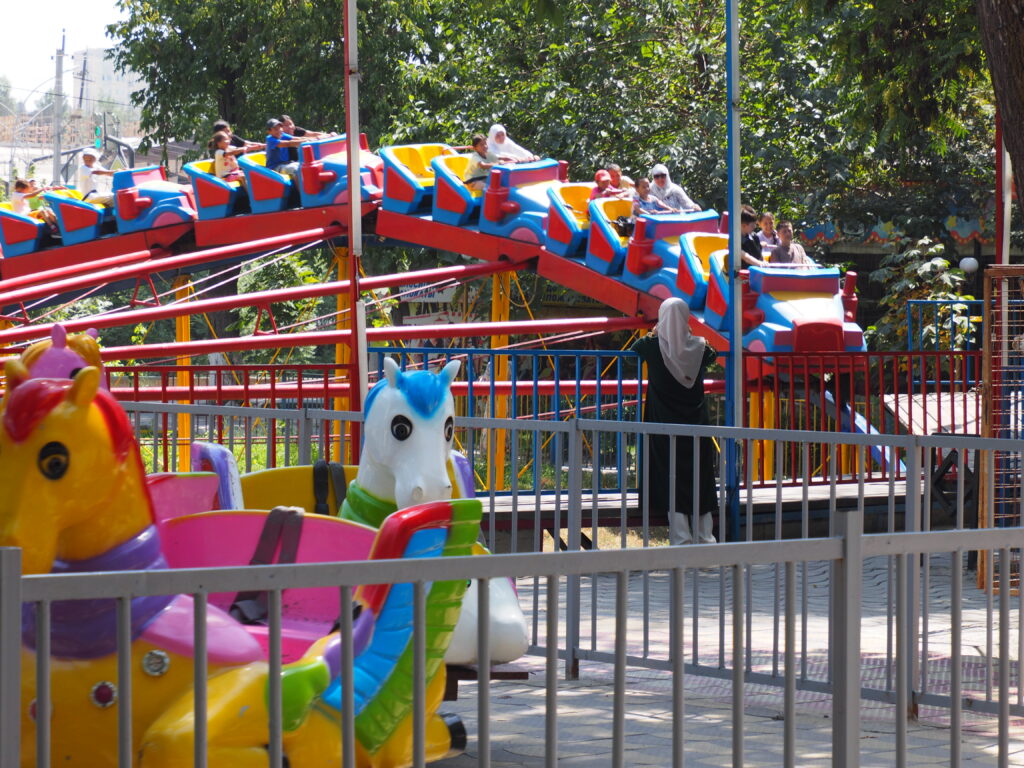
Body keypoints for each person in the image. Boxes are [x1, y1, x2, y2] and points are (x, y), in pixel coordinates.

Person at [631, 298, 719, 545]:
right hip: (696, 423)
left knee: (671, 476)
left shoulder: (650, 345)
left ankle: (681, 538)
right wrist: (687, 335)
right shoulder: (701, 348)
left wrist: (656, 333)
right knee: (700, 476)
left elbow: (631, 355)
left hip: (663, 424)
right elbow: (713, 356)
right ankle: (706, 537)